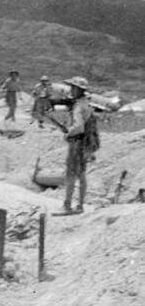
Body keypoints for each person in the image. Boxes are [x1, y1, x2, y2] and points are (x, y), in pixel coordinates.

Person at [60, 76, 99, 215]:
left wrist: (68, 133)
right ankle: (80, 205)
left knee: (71, 174)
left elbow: (78, 126)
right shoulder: (86, 104)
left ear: (78, 89)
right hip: (85, 143)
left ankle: (67, 205)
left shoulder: (78, 106)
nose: (71, 90)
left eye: (73, 88)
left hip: (76, 143)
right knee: (81, 174)